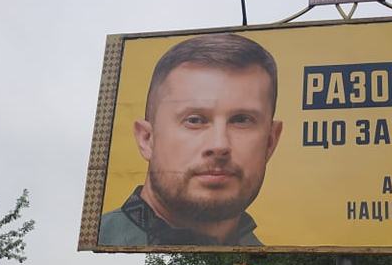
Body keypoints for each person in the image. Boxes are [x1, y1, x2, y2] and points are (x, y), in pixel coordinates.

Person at [99, 32, 283, 246]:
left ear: (270, 142)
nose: (219, 145)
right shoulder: (100, 241)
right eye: (194, 120)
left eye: (241, 120)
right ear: (147, 139)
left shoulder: (271, 258)